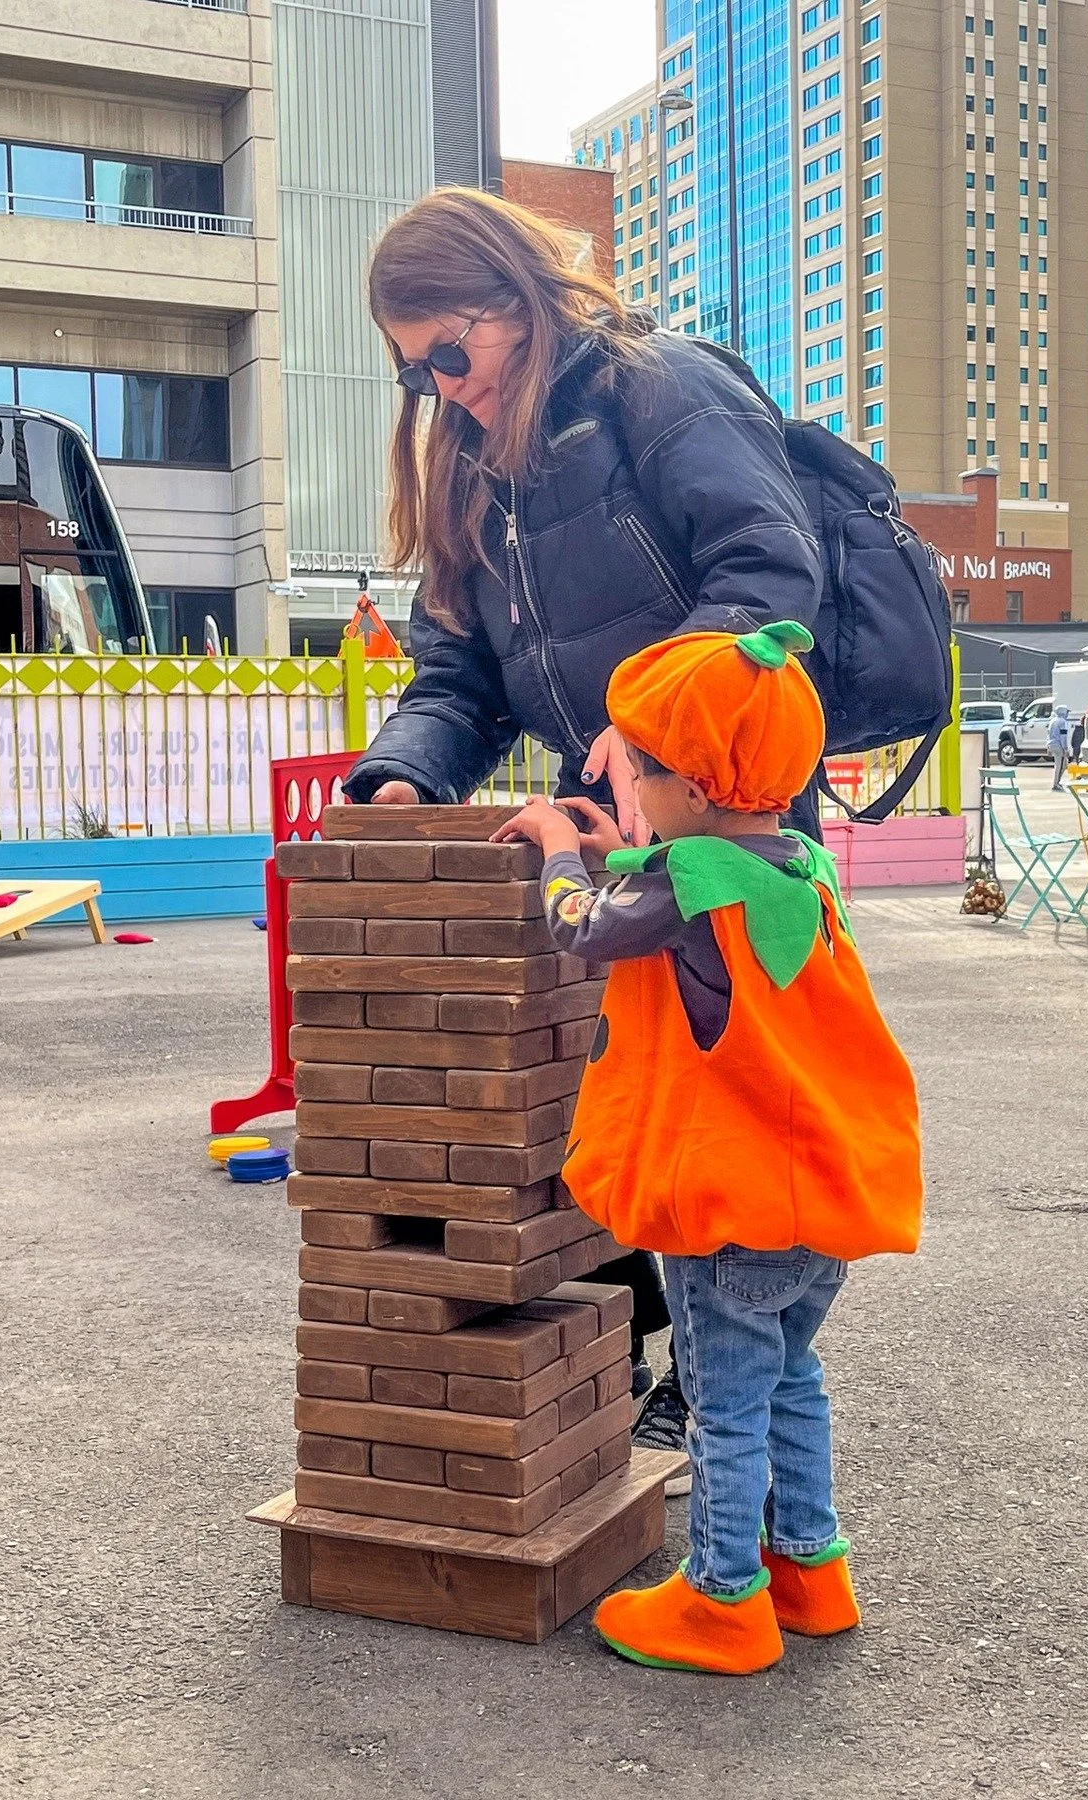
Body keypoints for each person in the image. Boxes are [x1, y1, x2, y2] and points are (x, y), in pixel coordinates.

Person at [341, 186, 826, 1456]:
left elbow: (771, 572)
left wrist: (659, 719)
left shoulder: (661, 387)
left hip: (723, 802)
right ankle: (630, 1360)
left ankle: (734, 1386)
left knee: (734, 1106)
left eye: (453, 349)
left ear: (520, 299)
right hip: (606, 806)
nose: (442, 387)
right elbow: (455, 675)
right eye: (413, 370)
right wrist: (406, 776)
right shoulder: (467, 466)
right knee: (606, 1102)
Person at [494, 621, 924, 1676]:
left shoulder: (684, 883)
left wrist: (559, 845)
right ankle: (809, 1571)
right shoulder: (800, 863)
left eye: (637, 769)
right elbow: (679, 883)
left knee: (722, 1403)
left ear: (691, 786)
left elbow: (585, 926)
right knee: (791, 1381)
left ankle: (723, 1601)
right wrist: (622, 852)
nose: (627, 785)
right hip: (819, 1199)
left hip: (729, 1209)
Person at [1049, 704, 1073, 789]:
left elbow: (1048, 734)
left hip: (1051, 744)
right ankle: (1056, 784)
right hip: (1059, 745)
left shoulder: (1052, 721)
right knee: (1059, 766)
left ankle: (1057, 782)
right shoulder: (1063, 722)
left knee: (1062, 765)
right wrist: (1065, 748)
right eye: (1066, 712)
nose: (1067, 714)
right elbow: (1063, 736)